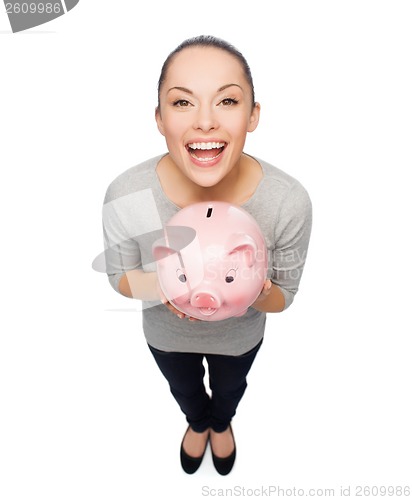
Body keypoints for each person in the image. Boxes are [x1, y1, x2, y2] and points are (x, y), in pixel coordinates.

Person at [101, 35, 312, 475]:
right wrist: (168, 286)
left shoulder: (286, 200)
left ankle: (223, 422)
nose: (204, 122)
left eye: (228, 101)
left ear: (253, 115)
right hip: (166, 335)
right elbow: (118, 277)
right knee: (183, 387)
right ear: (159, 119)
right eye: (182, 103)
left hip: (239, 340)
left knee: (232, 387)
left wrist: (249, 287)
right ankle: (197, 421)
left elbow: (286, 295)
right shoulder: (128, 193)